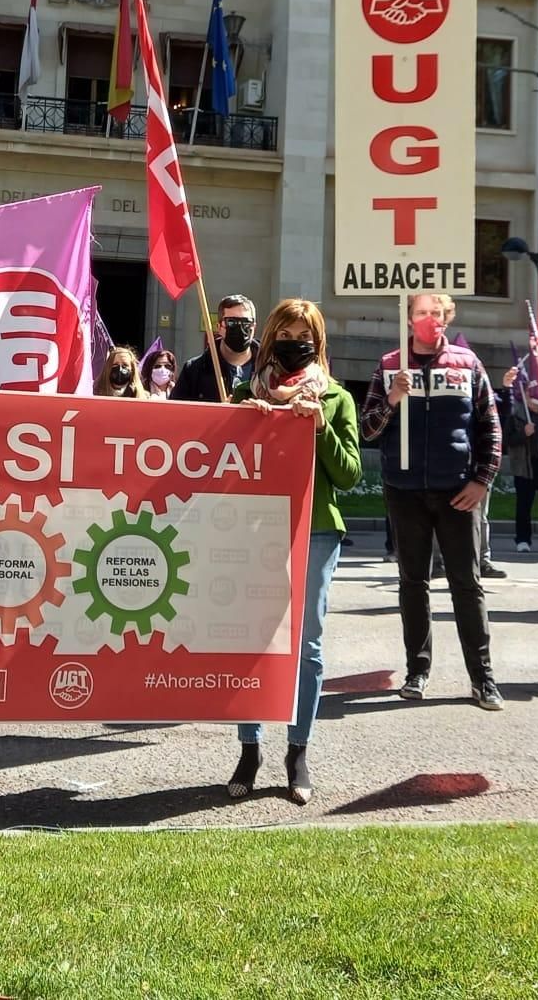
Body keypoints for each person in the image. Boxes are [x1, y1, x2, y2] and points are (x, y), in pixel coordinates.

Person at [226, 298, 360, 804]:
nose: (292, 341)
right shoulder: (244, 393)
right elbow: (214, 460)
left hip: (316, 530)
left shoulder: (336, 399)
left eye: (302, 334)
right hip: (253, 529)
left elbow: (348, 475)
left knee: (307, 646)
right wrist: (242, 423)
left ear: (317, 342)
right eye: (283, 331)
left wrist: (318, 427)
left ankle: (298, 750)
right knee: (253, 640)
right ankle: (249, 747)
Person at [360, 291, 503, 711]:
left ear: (448, 317)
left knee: (466, 585)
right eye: (422, 313)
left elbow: (490, 429)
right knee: (412, 584)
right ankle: (416, 671)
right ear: (407, 319)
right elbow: (367, 430)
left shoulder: (467, 364)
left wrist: (482, 481)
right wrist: (391, 401)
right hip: (404, 491)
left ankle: (483, 678)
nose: (430, 319)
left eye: (437, 313)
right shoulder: (389, 366)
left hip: (459, 492)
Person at [171, 294, 257, 401]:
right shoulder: (194, 369)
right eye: (231, 322)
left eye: (246, 322)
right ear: (219, 327)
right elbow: (176, 412)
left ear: (254, 327)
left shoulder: (269, 369)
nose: (240, 328)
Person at [504, 373, 538, 553]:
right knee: (524, 505)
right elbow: (507, 440)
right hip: (525, 467)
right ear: (525, 394)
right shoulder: (516, 414)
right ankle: (523, 539)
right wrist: (523, 434)